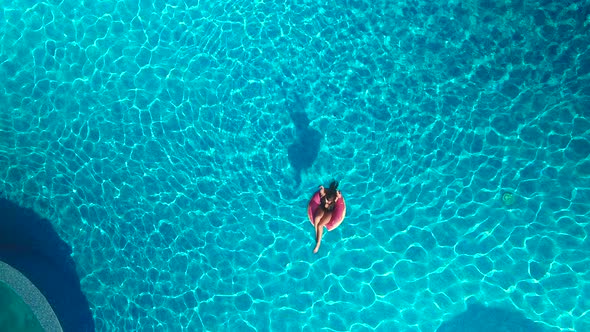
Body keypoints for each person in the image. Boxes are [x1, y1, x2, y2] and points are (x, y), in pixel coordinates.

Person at [313, 181, 341, 253]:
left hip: (329, 212)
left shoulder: (334, 198)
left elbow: (339, 197)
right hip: (322, 208)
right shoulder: (325, 194)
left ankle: (318, 244)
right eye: (327, 200)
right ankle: (316, 234)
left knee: (320, 225)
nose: (328, 202)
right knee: (316, 218)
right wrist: (322, 188)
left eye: (330, 202)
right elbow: (322, 192)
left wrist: (338, 195)